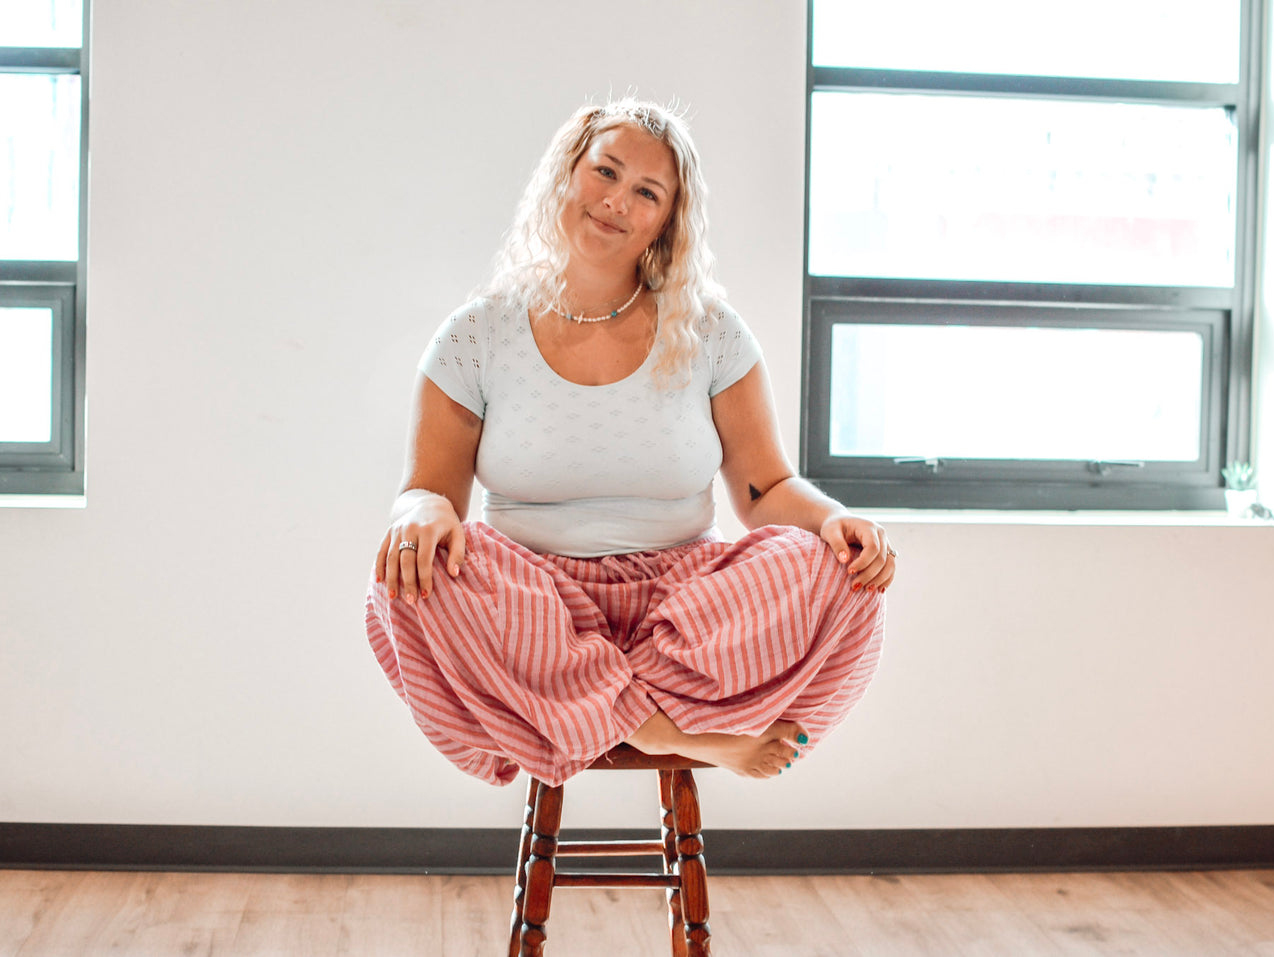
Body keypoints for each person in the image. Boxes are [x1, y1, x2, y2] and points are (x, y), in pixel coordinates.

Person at [366, 98, 891, 788]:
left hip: (685, 611)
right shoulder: (476, 333)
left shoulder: (711, 330)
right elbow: (428, 492)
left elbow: (764, 489)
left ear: (665, 222)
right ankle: (664, 730)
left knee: (832, 568)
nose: (616, 201)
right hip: (535, 609)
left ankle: (579, 711)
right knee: (415, 577)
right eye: (605, 173)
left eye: (646, 192)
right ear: (567, 174)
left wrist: (833, 520)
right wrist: (418, 512)